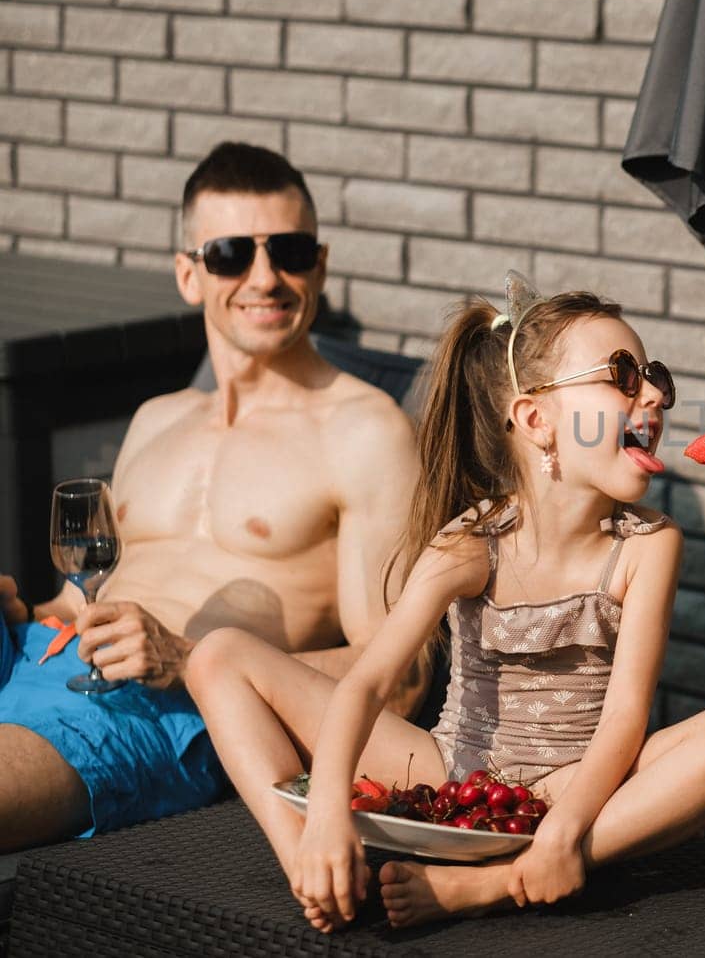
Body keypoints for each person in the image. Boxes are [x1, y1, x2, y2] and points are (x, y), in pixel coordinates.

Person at [186, 285, 705, 932]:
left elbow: (625, 719)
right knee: (217, 656)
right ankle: (313, 863)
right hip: (450, 769)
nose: (655, 397)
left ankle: (496, 884)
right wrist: (327, 811)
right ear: (536, 420)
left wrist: (565, 828)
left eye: (656, 379)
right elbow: (369, 682)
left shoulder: (649, 545)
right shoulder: (471, 541)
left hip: (578, 784)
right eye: (624, 376)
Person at [0, 142, 420, 852]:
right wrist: (26, 609)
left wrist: (186, 656)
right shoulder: (155, 417)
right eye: (230, 253)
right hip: (40, 656)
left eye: (287, 250)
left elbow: (400, 677)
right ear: (189, 275)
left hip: (162, 709)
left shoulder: (363, 430)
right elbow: (87, 601)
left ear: (319, 264)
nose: (265, 276)